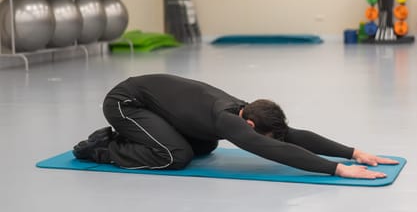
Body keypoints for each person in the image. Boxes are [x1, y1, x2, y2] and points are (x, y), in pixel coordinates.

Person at [73, 74, 398, 179]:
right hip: (125, 103)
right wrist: (338, 170)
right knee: (175, 157)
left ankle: (129, 137)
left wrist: (354, 152)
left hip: (156, 106)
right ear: (251, 124)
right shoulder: (226, 119)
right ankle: (103, 148)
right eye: (261, 133)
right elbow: (274, 148)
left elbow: (289, 136)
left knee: (205, 146)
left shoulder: (246, 110)